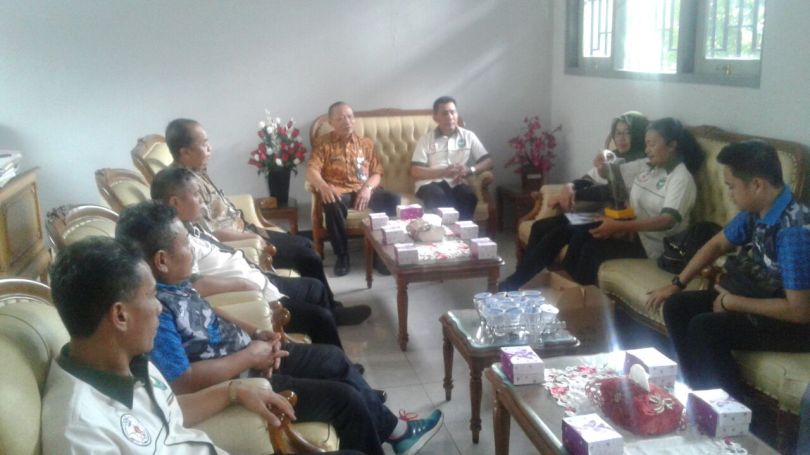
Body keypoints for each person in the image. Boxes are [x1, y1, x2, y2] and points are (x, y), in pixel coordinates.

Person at [115, 201, 445, 455]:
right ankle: (393, 431)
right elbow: (182, 382)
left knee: (333, 359)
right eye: (187, 244)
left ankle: (396, 432)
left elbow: (208, 312)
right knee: (345, 399)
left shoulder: (175, 283)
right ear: (162, 260)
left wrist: (256, 333)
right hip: (243, 376)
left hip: (252, 354)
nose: (192, 251)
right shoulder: (155, 310)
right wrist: (250, 357)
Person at [42, 236, 329, 454]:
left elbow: (165, 411)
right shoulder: (81, 433)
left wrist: (233, 391)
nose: (159, 308)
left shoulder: (127, 361)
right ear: (120, 315)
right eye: (151, 296)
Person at [647, 140, 810, 398]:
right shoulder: (758, 209)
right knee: (676, 306)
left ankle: (732, 409)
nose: (730, 194)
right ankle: (696, 391)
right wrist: (676, 284)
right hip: (762, 296)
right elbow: (717, 244)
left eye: (732, 186)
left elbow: (800, 311)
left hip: (795, 324)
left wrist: (732, 302)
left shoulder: (793, 231)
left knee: (705, 328)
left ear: (757, 185)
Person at [165, 118, 369, 322]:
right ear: (185, 152)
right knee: (309, 256)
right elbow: (209, 234)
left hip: (245, 229)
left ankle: (329, 305)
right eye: (204, 144)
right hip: (240, 241)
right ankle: (330, 313)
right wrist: (253, 237)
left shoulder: (195, 171)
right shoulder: (183, 188)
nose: (210, 148)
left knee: (306, 244)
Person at [151, 166, 345, 347]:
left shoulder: (189, 225)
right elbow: (192, 284)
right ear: (175, 202)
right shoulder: (178, 244)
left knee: (315, 288)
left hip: (257, 279)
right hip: (251, 295)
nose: (201, 201)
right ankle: (331, 351)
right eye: (196, 195)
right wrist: (241, 284)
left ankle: (333, 329)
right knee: (320, 317)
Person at [499, 111, 649, 291]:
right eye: (618, 133)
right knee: (540, 227)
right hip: (596, 214)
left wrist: (577, 194)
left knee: (562, 233)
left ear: (639, 135)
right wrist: (570, 186)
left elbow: (609, 191)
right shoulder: (613, 156)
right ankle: (524, 279)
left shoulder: (643, 163)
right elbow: (588, 178)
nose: (621, 138)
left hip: (616, 221)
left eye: (628, 133)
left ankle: (520, 283)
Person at [562, 117, 703, 285]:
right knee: (580, 232)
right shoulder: (650, 168)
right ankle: (567, 288)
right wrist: (604, 165)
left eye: (652, 145)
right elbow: (613, 176)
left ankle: (580, 294)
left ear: (672, 145)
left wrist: (620, 227)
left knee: (591, 250)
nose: (647, 150)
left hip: (654, 248)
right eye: (646, 145)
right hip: (633, 235)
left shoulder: (681, 178)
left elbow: (667, 220)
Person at [306, 101, 401, 276]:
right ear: (331, 122)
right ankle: (342, 256)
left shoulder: (365, 144)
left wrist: (368, 189)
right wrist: (324, 187)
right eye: (340, 118)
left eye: (349, 117)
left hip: (363, 190)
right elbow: (312, 170)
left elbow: (377, 172)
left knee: (393, 199)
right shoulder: (323, 143)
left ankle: (381, 255)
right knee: (331, 203)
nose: (347, 121)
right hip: (339, 192)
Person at [410, 96, 493, 221]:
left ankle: (462, 230)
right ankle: (441, 231)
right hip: (430, 184)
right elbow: (415, 170)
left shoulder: (468, 136)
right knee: (437, 195)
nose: (450, 117)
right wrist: (443, 172)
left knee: (468, 196)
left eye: (452, 112)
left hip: (456, 182)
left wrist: (469, 170)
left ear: (457, 114)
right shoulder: (426, 140)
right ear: (435, 117)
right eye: (444, 113)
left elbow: (488, 161)